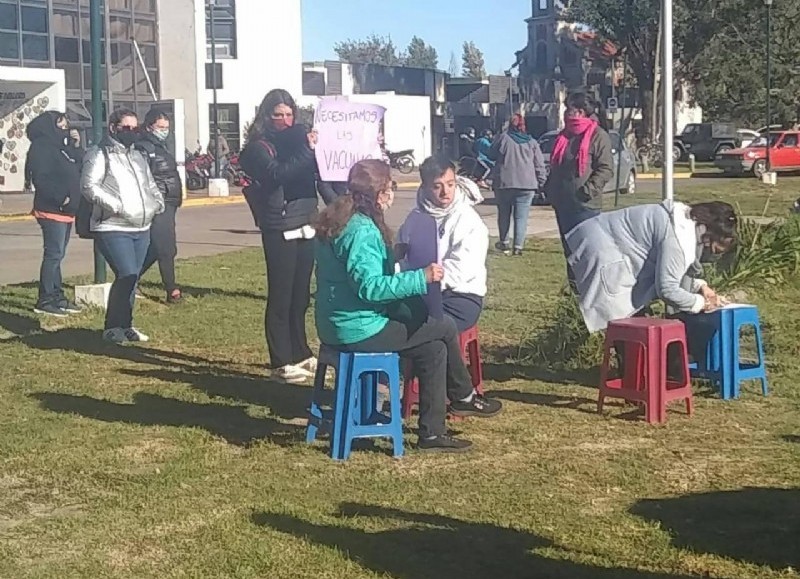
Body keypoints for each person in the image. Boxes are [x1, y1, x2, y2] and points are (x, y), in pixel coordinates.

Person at [314, 159, 502, 453]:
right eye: (389, 188)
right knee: (442, 326)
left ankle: (433, 432)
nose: (391, 195)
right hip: (358, 327)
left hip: (338, 321)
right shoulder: (361, 229)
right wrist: (421, 278)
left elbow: (358, 271)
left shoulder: (342, 219)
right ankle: (462, 395)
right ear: (378, 193)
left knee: (434, 347)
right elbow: (370, 288)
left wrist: (393, 256)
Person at [565, 200, 737, 363]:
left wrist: (701, 286)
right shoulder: (679, 238)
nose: (714, 255)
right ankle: (634, 378)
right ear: (708, 238)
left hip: (601, 237)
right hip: (602, 250)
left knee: (632, 318)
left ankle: (640, 372)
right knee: (622, 315)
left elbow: (673, 271)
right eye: (716, 250)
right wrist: (701, 303)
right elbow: (667, 289)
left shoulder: (685, 220)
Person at [239, 88, 319, 384]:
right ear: (266, 117)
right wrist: (307, 151)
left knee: (300, 294)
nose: (285, 121)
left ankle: (300, 350)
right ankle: (280, 359)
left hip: (306, 220)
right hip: (280, 224)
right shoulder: (258, 148)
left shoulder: (301, 144)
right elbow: (279, 174)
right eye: (278, 115)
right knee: (281, 293)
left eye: (289, 115)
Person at [81, 108, 165, 344]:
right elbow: (89, 186)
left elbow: (150, 183)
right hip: (112, 226)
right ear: (113, 128)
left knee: (132, 278)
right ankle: (111, 327)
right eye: (126, 128)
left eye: (134, 128)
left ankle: (126, 325)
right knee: (126, 273)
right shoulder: (99, 154)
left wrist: (156, 203)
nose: (131, 132)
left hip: (141, 226)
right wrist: (116, 206)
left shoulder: (137, 155)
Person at [396, 155, 489, 332]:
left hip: (459, 296)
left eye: (450, 184)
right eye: (437, 186)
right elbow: (401, 255)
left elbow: (461, 270)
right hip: (418, 290)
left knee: (421, 330)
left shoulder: (468, 220)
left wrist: (423, 281)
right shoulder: (415, 217)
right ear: (425, 187)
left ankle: (447, 359)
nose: (445, 192)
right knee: (387, 319)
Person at [25, 111, 84, 317]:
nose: (65, 128)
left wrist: (75, 145)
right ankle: (46, 299)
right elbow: (41, 178)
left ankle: (58, 296)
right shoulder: (41, 147)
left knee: (59, 255)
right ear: (49, 126)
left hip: (66, 211)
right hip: (51, 209)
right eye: (61, 125)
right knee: (53, 254)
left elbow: (78, 163)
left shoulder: (61, 148)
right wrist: (61, 198)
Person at [545, 92, 613, 237]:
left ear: (580, 112)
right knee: (570, 251)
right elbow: (556, 166)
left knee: (586, 249)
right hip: (562, 203)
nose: (565, 113)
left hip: (585, 205)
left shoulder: (598, 135)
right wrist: (550, 189)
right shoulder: (563, 136)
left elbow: (605, 168)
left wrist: (587, 190)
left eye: (568, 109)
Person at [136, 108, 183, 303]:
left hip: (169, 202)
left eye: (166, 127)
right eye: (160, 127)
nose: (164, 130)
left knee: (157, 248)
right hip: (158, 204)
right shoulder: (144, 148)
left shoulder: (161, 146)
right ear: (149, 126)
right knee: (166, 247)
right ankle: (171, 289)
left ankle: (131, 278)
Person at [488, 114, 547, 256]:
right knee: (521, 217)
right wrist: (542, 182)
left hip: (504, 183)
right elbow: (539, 164)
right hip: (527, 185)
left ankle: (504, 242)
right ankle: (518, 247)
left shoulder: (503, 138)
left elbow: (491, 154)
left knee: (504, 214)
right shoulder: (532, 142)